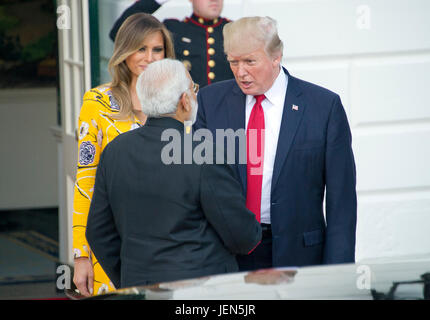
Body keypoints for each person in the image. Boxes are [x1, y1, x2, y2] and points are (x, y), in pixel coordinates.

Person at [194, 16, 357, 271]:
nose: (240, 72)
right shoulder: (209, 101)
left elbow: (342, 202)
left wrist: (338, 274)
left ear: (276, 56)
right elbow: (197, 184)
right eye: (233, 62)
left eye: (250, 61)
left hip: (299, 256)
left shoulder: (323, 107)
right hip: (226, 255)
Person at [85, 59, 262, 288]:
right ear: (184, 101)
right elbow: (241, 236)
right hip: (200, 291)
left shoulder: (115, 150)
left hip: (139, 285)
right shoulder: (203, 152)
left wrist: (130, 278)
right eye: (193, 89)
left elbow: (98, 232)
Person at [72, 13, 175, 297]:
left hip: (171, 244)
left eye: (157, 50)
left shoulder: (180, 103)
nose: (149, 58)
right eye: (140, 49)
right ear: (124, 52)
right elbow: (85, 182)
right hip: (113, 243)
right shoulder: (98, 103)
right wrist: (81, 255)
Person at [109, 0, 233, 87]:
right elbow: (120, 34)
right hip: (182, 114)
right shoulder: (174, 29)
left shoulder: (234, 30)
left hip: (225, 114)